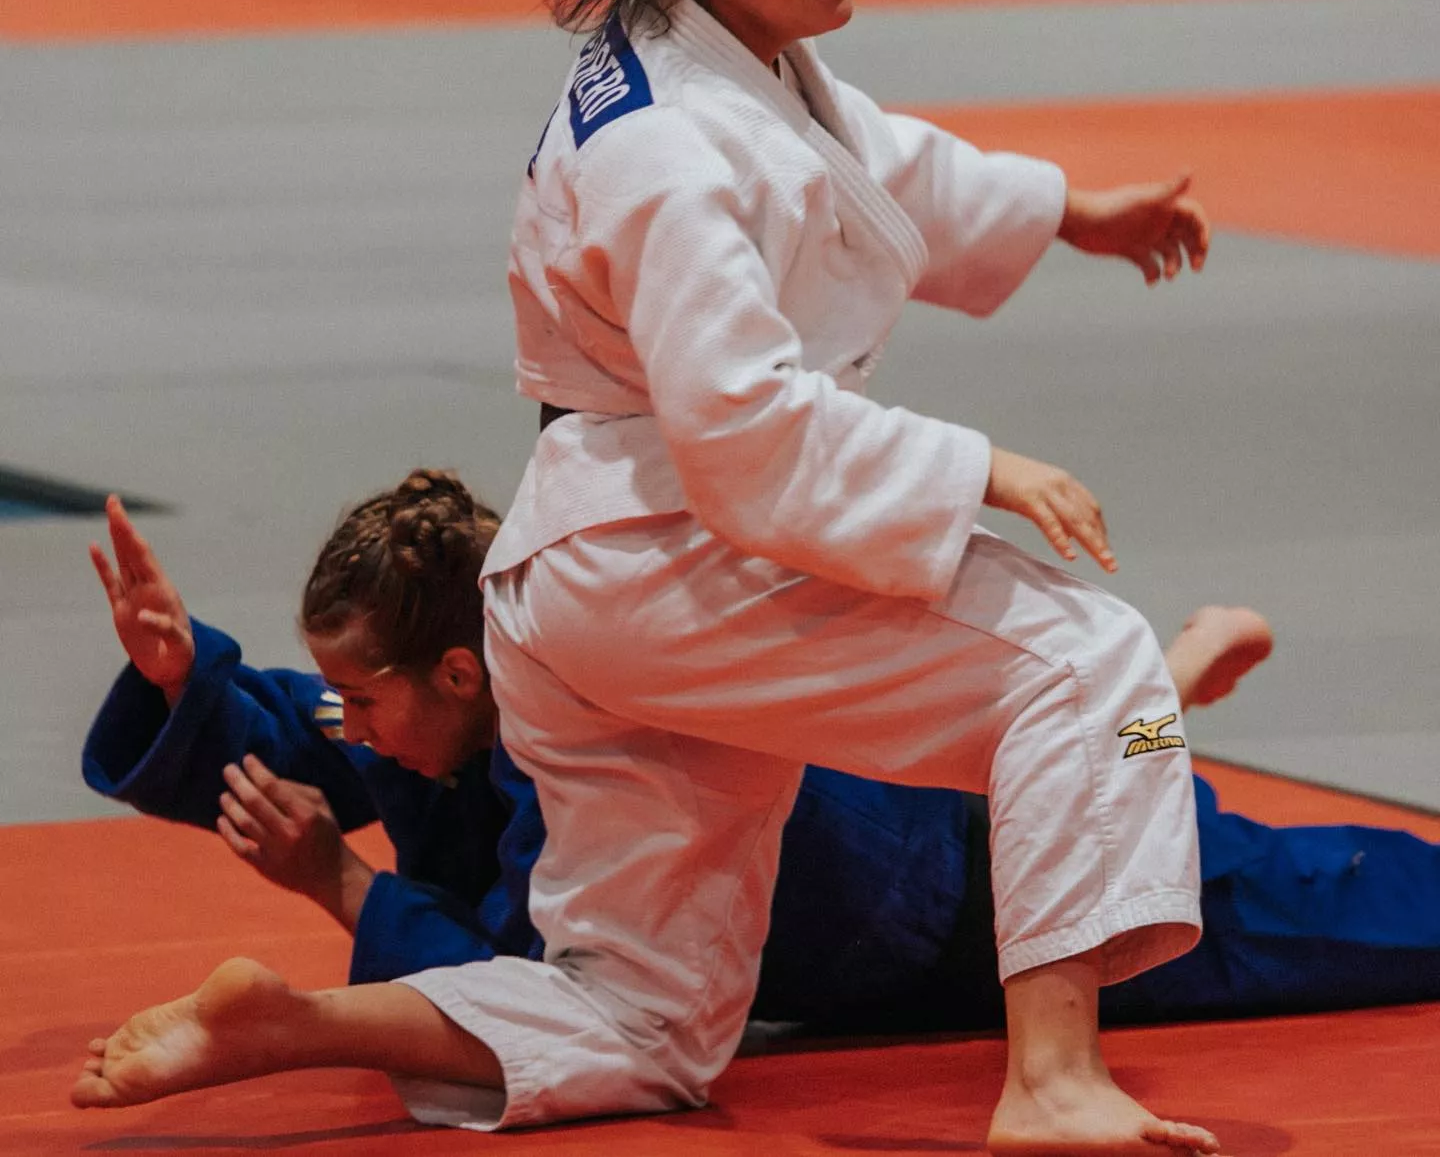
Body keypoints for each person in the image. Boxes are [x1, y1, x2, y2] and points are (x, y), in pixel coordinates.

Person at [76, 0, 1224, 1154]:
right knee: (1104, 675)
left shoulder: (689, 66)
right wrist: (981, 468)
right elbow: (745, 430)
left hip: (594, 591)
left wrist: (1065, 208)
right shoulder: (676, 148)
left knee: (648, 1019)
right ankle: (1056, 1064)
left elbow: (862, 165)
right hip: (704, 586)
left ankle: (294, 1019)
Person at [80, 482, 1440, 1047]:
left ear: (455, 674)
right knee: (1121, 744)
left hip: (969, 867)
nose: (345, 723)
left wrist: (334, 881)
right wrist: (179, 677)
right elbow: (294, 727)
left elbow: (512, 968)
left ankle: (1164, 681)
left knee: (1324, 901)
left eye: (363, 695)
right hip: (922, 837)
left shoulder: (574, 745)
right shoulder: (446, 701)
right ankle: (1169, 676)